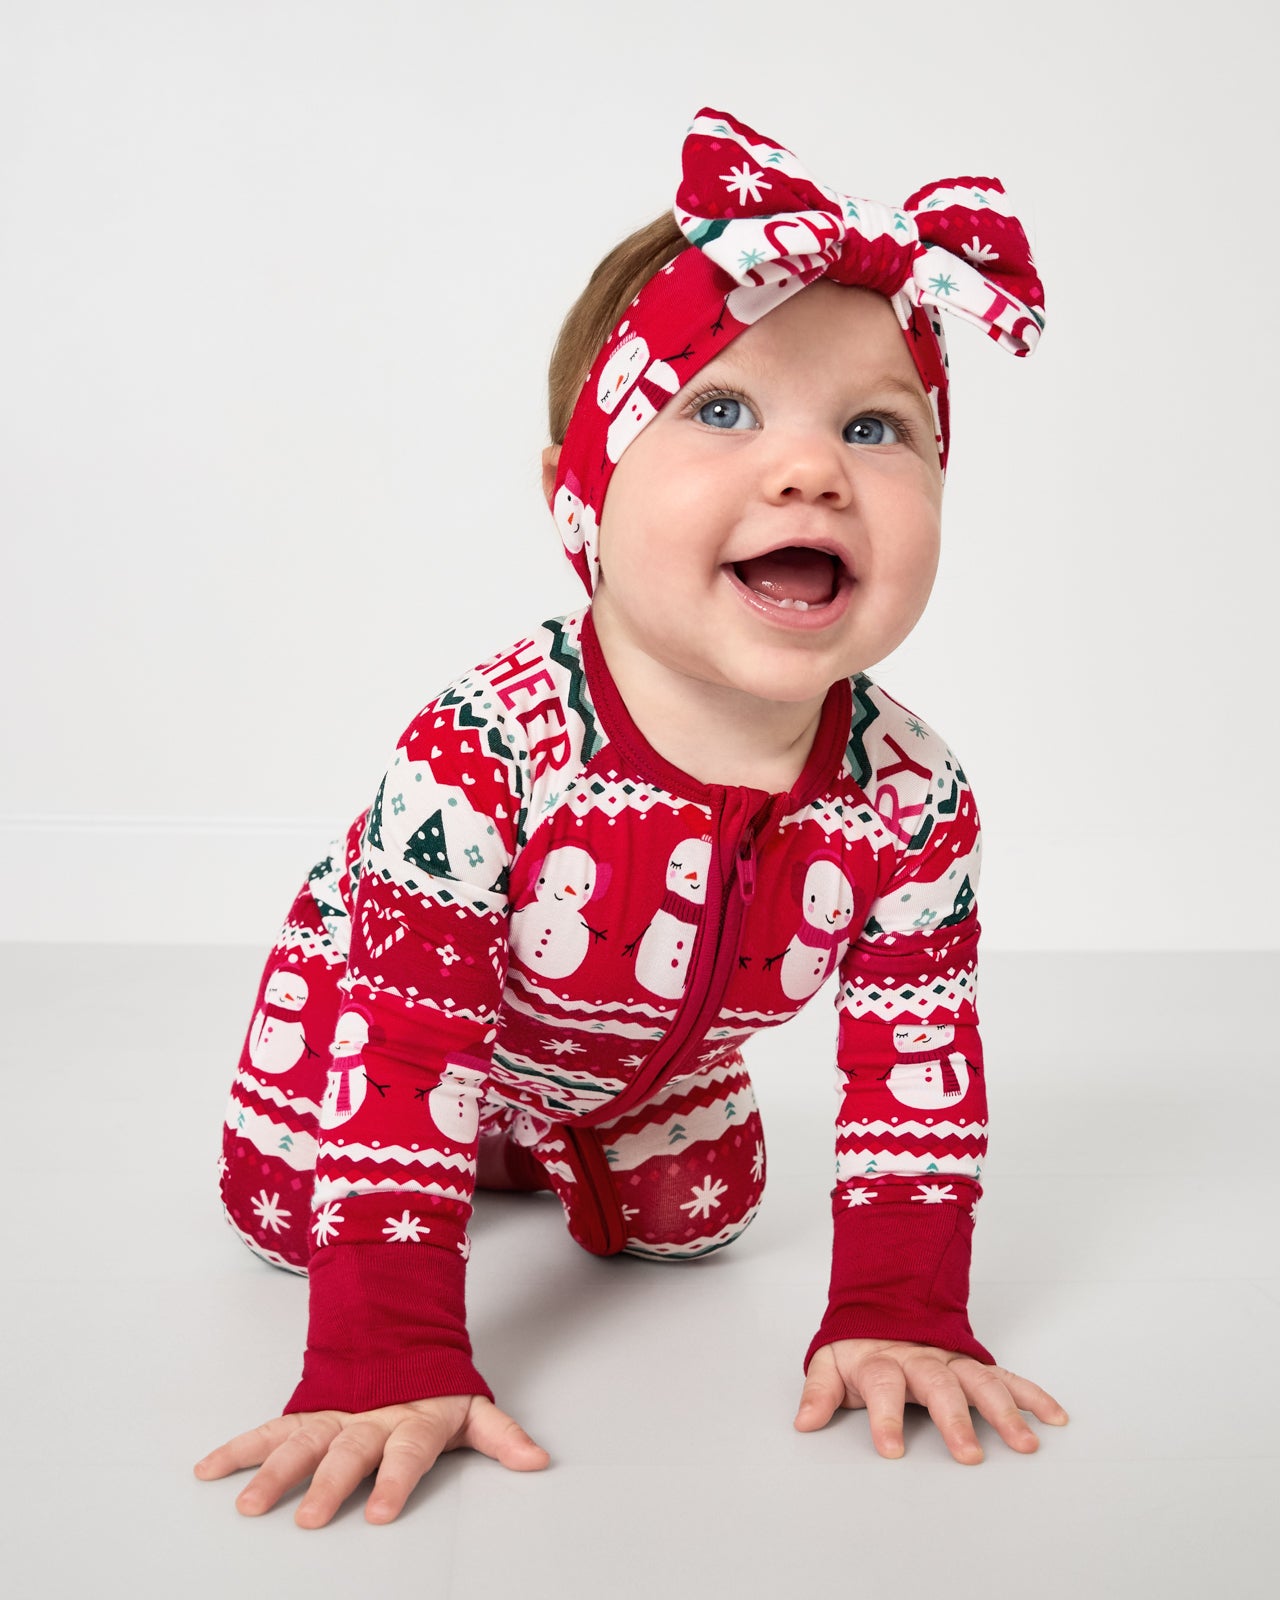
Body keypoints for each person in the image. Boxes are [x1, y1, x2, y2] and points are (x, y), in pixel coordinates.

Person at [195, 105, 1069, 1528]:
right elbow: (409, 1042)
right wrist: (389, 1348)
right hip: (382, 1021)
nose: (809, 471)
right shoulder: (488, 746)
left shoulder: (912, 794)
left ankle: (548, 1141)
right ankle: (463, 1153)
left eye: (875, 426)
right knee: (290, 1216)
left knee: (704, 1221)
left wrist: (899, 1306)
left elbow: (916, 1051)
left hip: (642, 1065)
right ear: (580, 501)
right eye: (719, 410)